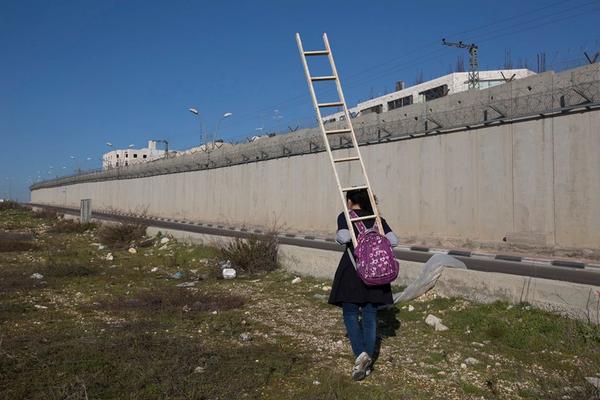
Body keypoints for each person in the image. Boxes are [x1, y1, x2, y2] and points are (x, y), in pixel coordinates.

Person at [328, 189, 399, 381]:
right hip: (377, 273)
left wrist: (351, 234)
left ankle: (361, 355)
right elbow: (394, 241)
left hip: (354, 271)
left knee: (350, 313)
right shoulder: (378, 219)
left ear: (350, 201)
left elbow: (343, 237)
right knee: (370, 315)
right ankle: (366, 363)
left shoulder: (346, 216)